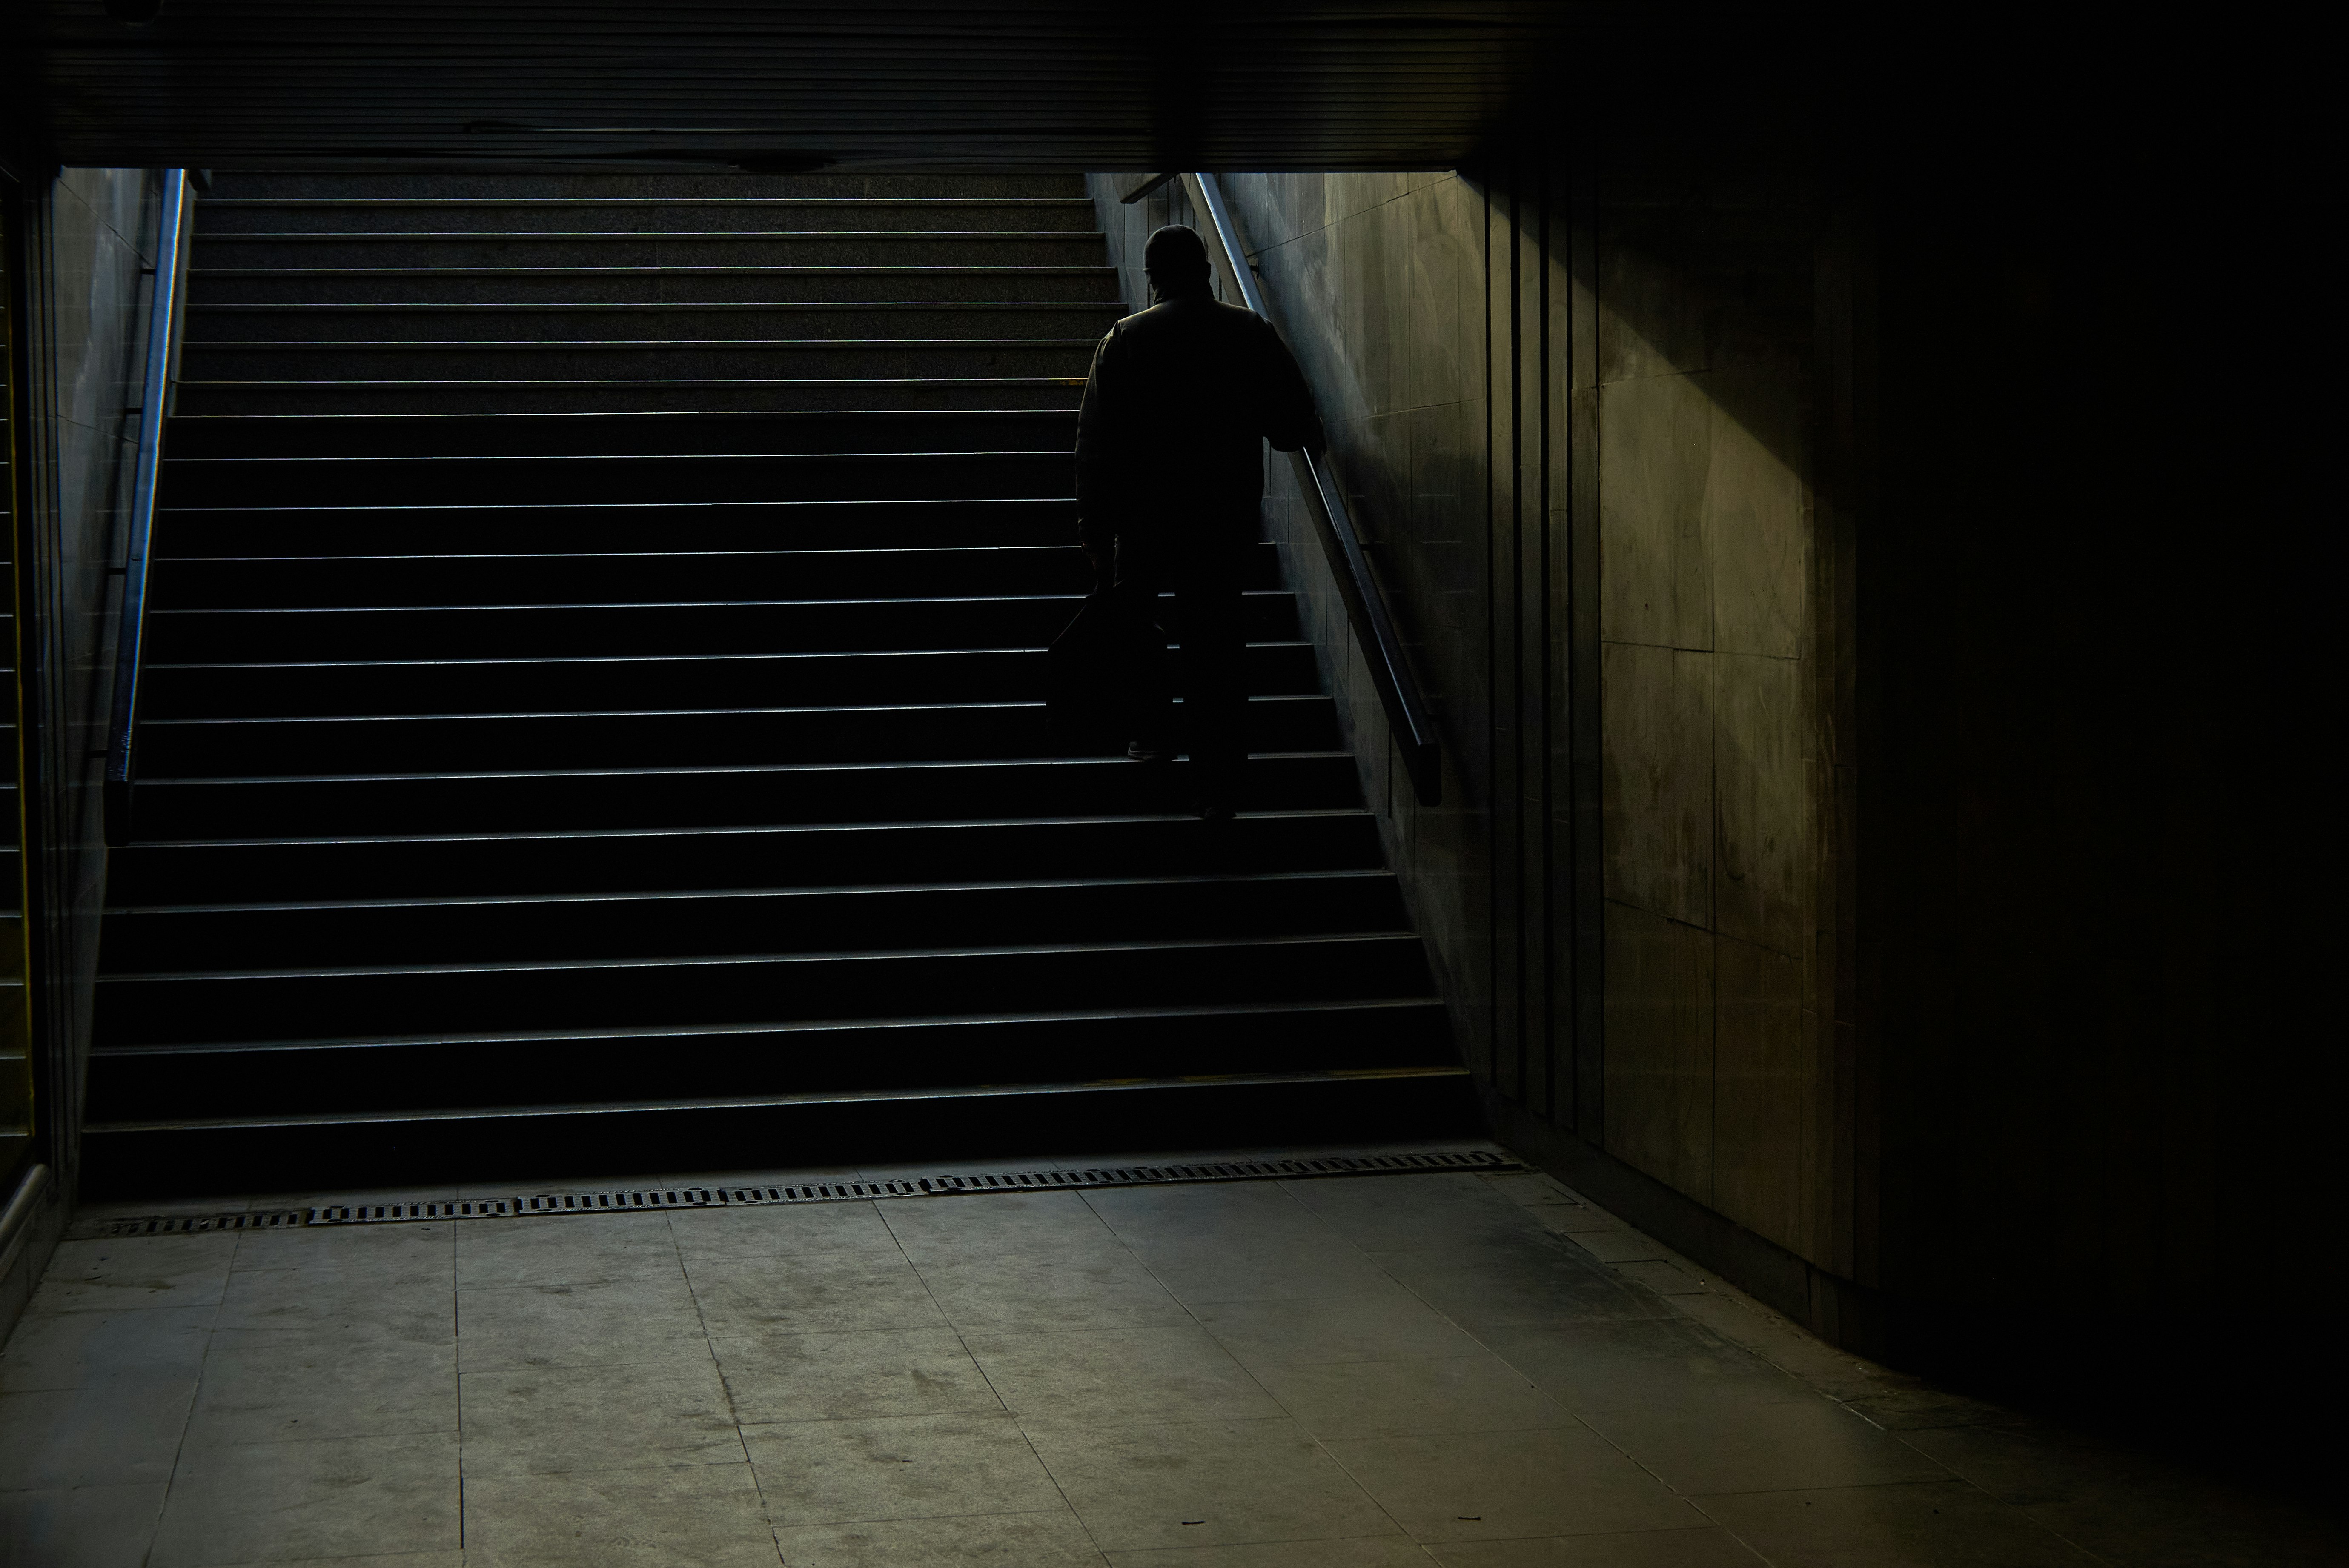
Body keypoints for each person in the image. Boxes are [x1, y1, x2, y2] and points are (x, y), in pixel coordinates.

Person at [1073, 224, 1325, 821]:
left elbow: (1095, 447)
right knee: (1217, 649)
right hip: (1221, 521)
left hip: (1144, 522)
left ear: (1151, 276)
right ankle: (1218, 784)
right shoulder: (1247, 332)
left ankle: (1152, 733)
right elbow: (1293, 426)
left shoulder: (1124, 339)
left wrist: (1095, 532)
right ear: (1208, 270)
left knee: (1140, 627)